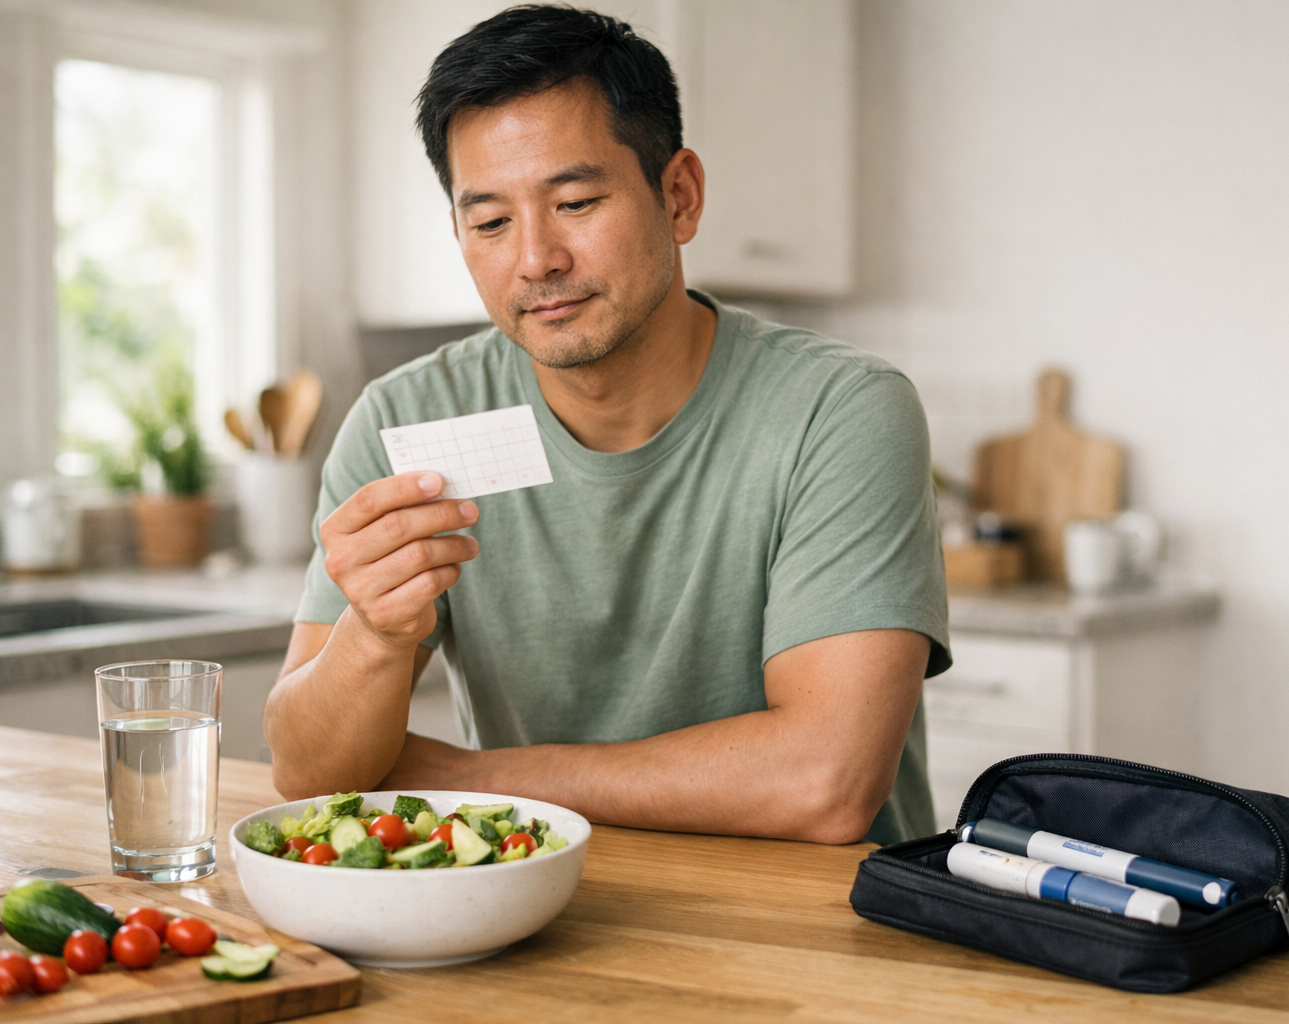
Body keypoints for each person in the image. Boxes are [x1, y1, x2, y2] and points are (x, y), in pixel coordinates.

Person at [263, 5, 949, 845]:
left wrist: (468, 780)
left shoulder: (836, 411)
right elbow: (306, 777)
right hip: (535, 917)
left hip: (815, 934)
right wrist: (370, 637)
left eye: (577, 201)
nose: (535, 259)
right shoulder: (406, 422)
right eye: (490, 222)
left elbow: (824, 782)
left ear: (680, 195)